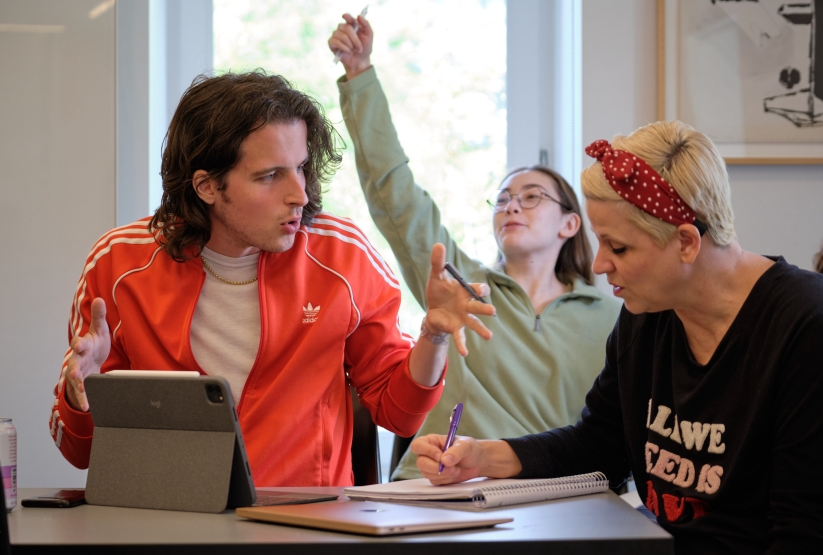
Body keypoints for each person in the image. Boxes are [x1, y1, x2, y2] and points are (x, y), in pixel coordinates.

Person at [48, 71, 496, 487]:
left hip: (307, 522)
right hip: (165, 521)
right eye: (270, 176)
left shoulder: (342, 255)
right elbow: (79, 452)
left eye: (301, 167)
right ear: (207, 186)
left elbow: (399, 414)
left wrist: (433, 338)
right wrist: (81, 394)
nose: (299, 194)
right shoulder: (118, 262)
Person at [410, 122, 823, 552]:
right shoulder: (646, 314)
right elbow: (597, 446)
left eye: (618, 247)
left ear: (686, 242)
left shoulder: (804, 327)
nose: (601, 264)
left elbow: (802, 531)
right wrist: (483, 458)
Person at [328, 14, 621, 480]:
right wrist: (360, 74)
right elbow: (394, 192)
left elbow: (611, 439)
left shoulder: (614, 318)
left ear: (570, 223)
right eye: (502, 199)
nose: (511, 206)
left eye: (531, 197)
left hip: (551, 496)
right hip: (440, 486)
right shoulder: (460, 285)